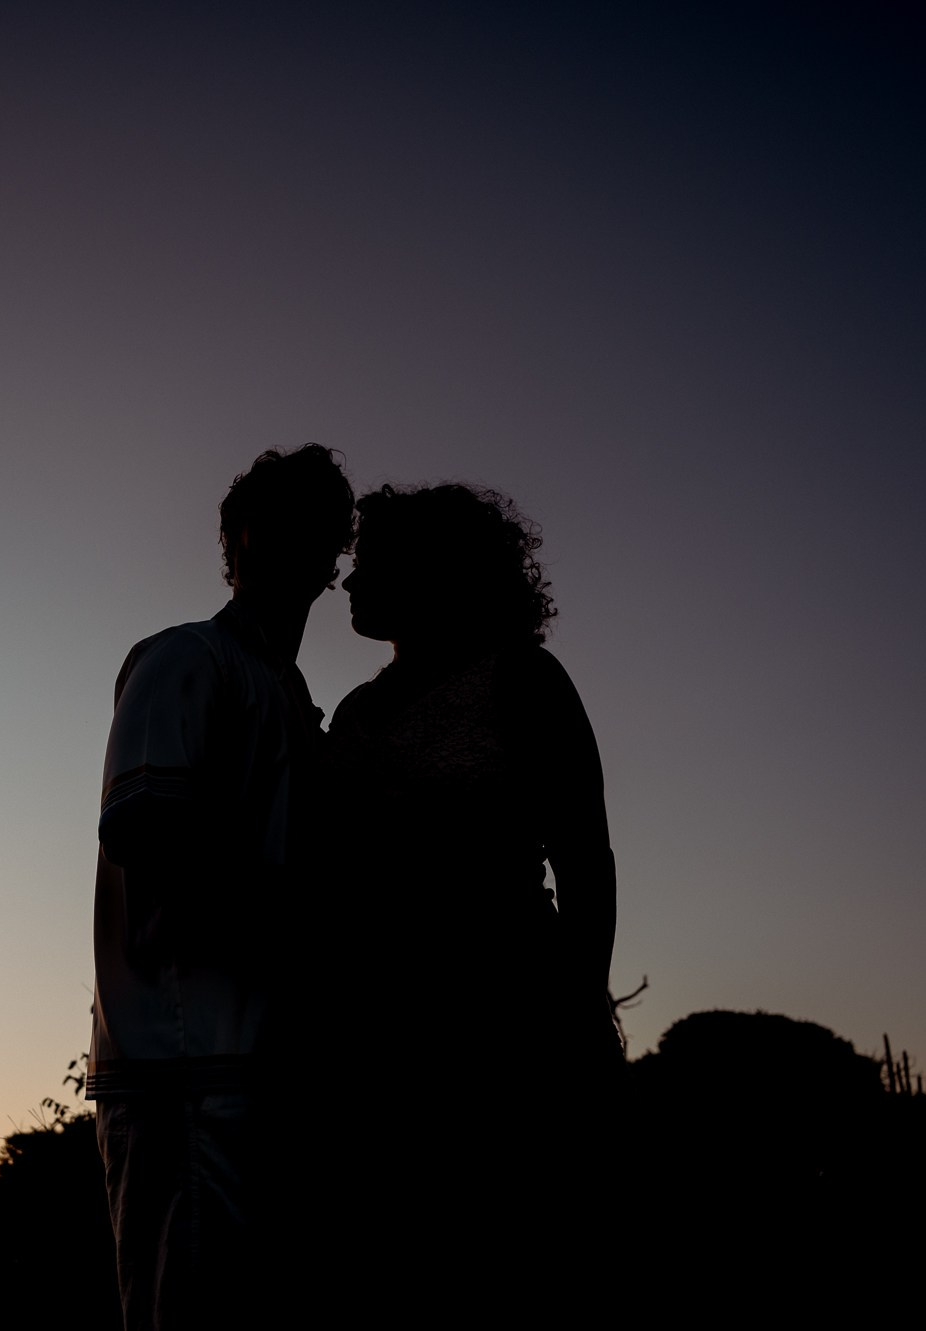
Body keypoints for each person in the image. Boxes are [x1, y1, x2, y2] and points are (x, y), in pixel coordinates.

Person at [313, 482, 621, 1315]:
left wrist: (577, 1020)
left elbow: (586, 862)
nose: (348, 581)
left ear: (433, 570)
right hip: (375, 1050)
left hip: (506, 1034)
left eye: (370, 565)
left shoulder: (523, 681)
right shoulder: (355, 712)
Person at [88, 444, 356, 1331]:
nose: (298, 547)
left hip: (269, 1068)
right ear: (238, 539)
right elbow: (146, 830)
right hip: (184, 1067)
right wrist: (304, 933)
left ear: (334, 555)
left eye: (320, 531)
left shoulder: (297, 703)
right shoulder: (185, 659)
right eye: (274, 523)